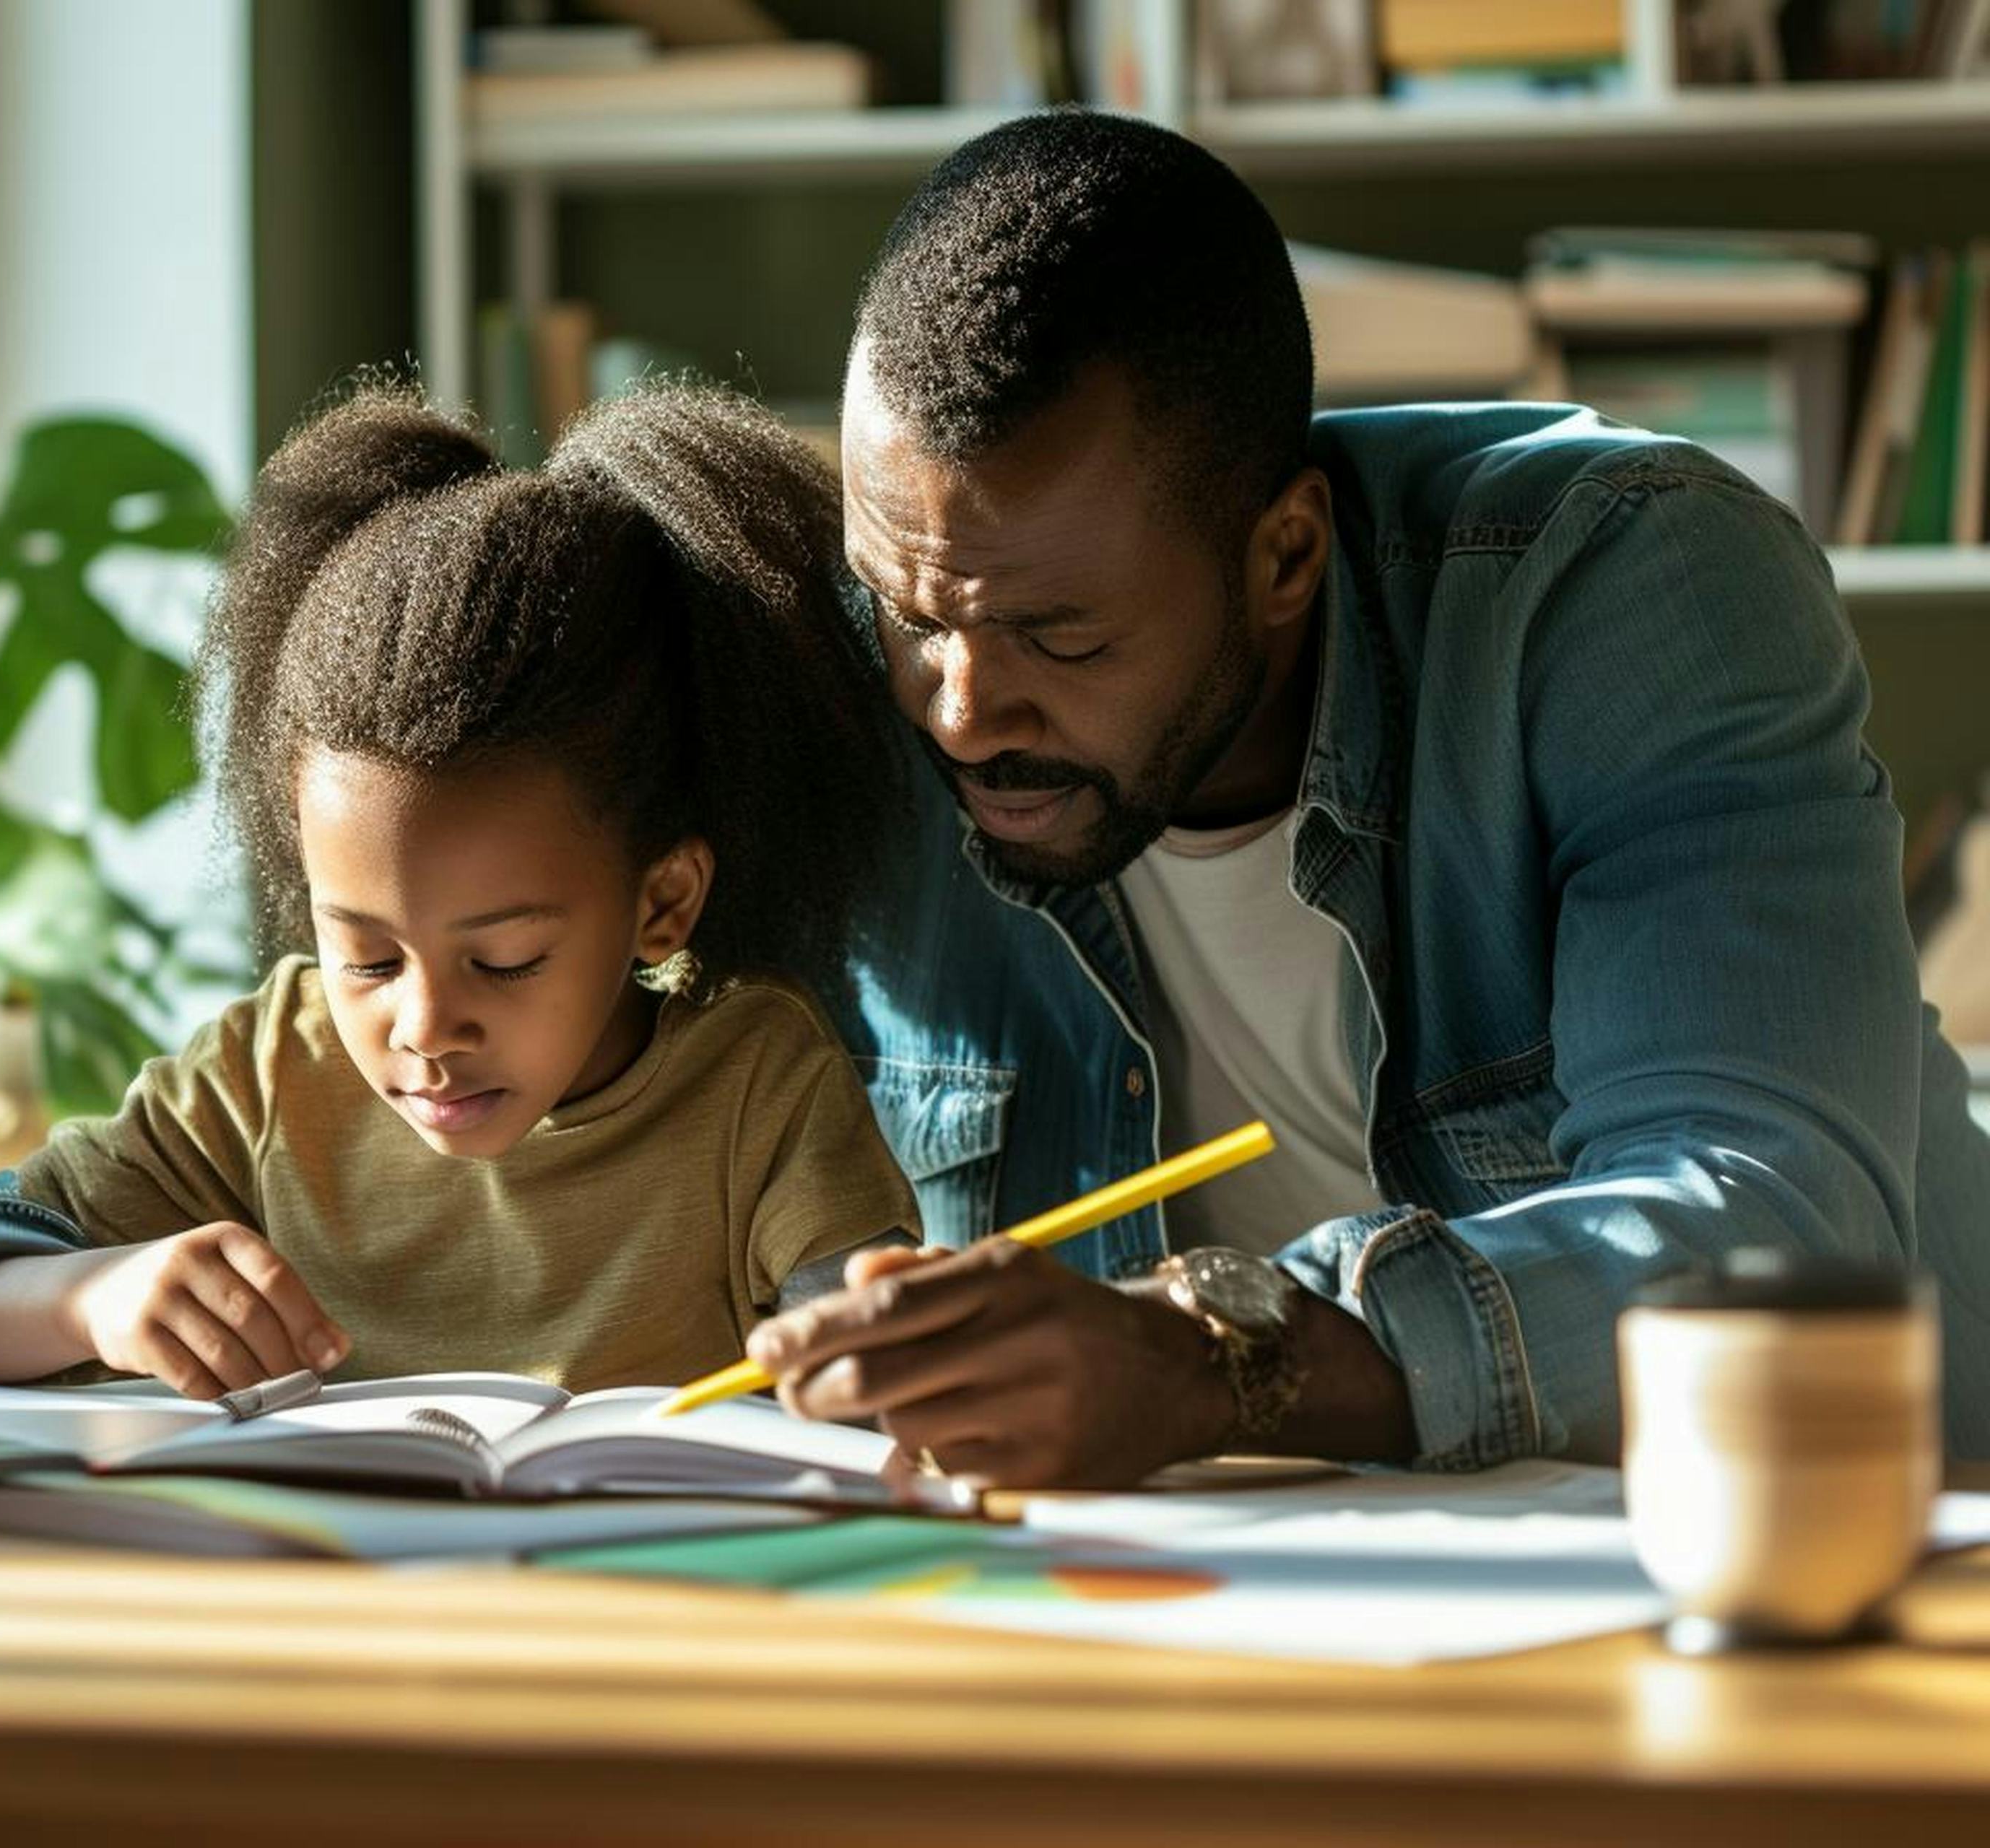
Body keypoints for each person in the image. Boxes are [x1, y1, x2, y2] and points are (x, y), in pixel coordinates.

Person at [749, 108, 1990, 1486]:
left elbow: (1765, 1226)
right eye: (910, 613)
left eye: (1065, 638)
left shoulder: (1627, 591)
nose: (962, 712)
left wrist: (1208, 1359)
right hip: (1277, 1604)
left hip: (1865, 1566)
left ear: (1285, 555)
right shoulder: (860, 687)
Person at [0, 383, 919, 1397]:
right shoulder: (270, 1078)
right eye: (365, 957)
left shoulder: (757, 1088)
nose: (425, 1025)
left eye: (502, 961)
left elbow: (877, 1367)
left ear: (663, 903)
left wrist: (869, 1357)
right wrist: (90, 1298)